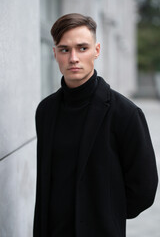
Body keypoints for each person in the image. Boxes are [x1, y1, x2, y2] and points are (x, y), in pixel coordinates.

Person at [33, 13, 158, 237]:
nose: (73, 58)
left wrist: (107, 213)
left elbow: (145, 187)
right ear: (55, 54)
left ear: (96, 51)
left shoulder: (125, 113)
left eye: (82, 48)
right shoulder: (46, 111)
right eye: (64, 49)